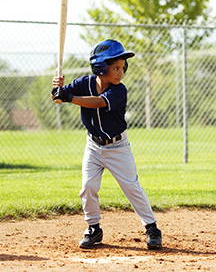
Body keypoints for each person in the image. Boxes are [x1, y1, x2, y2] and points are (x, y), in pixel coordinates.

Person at [51, 39, 162, 250]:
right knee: (88, 187)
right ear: (100, 68)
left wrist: (68, 96)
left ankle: (151, 227)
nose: (121, 72)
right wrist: (57, 90)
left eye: (123, 68)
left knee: (131, 187)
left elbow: (98, 102)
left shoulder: (119, 91)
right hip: (93, 146)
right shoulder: (83, 83)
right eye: (115, 68)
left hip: (118, 147)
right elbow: (58, 98)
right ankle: (94, 228)